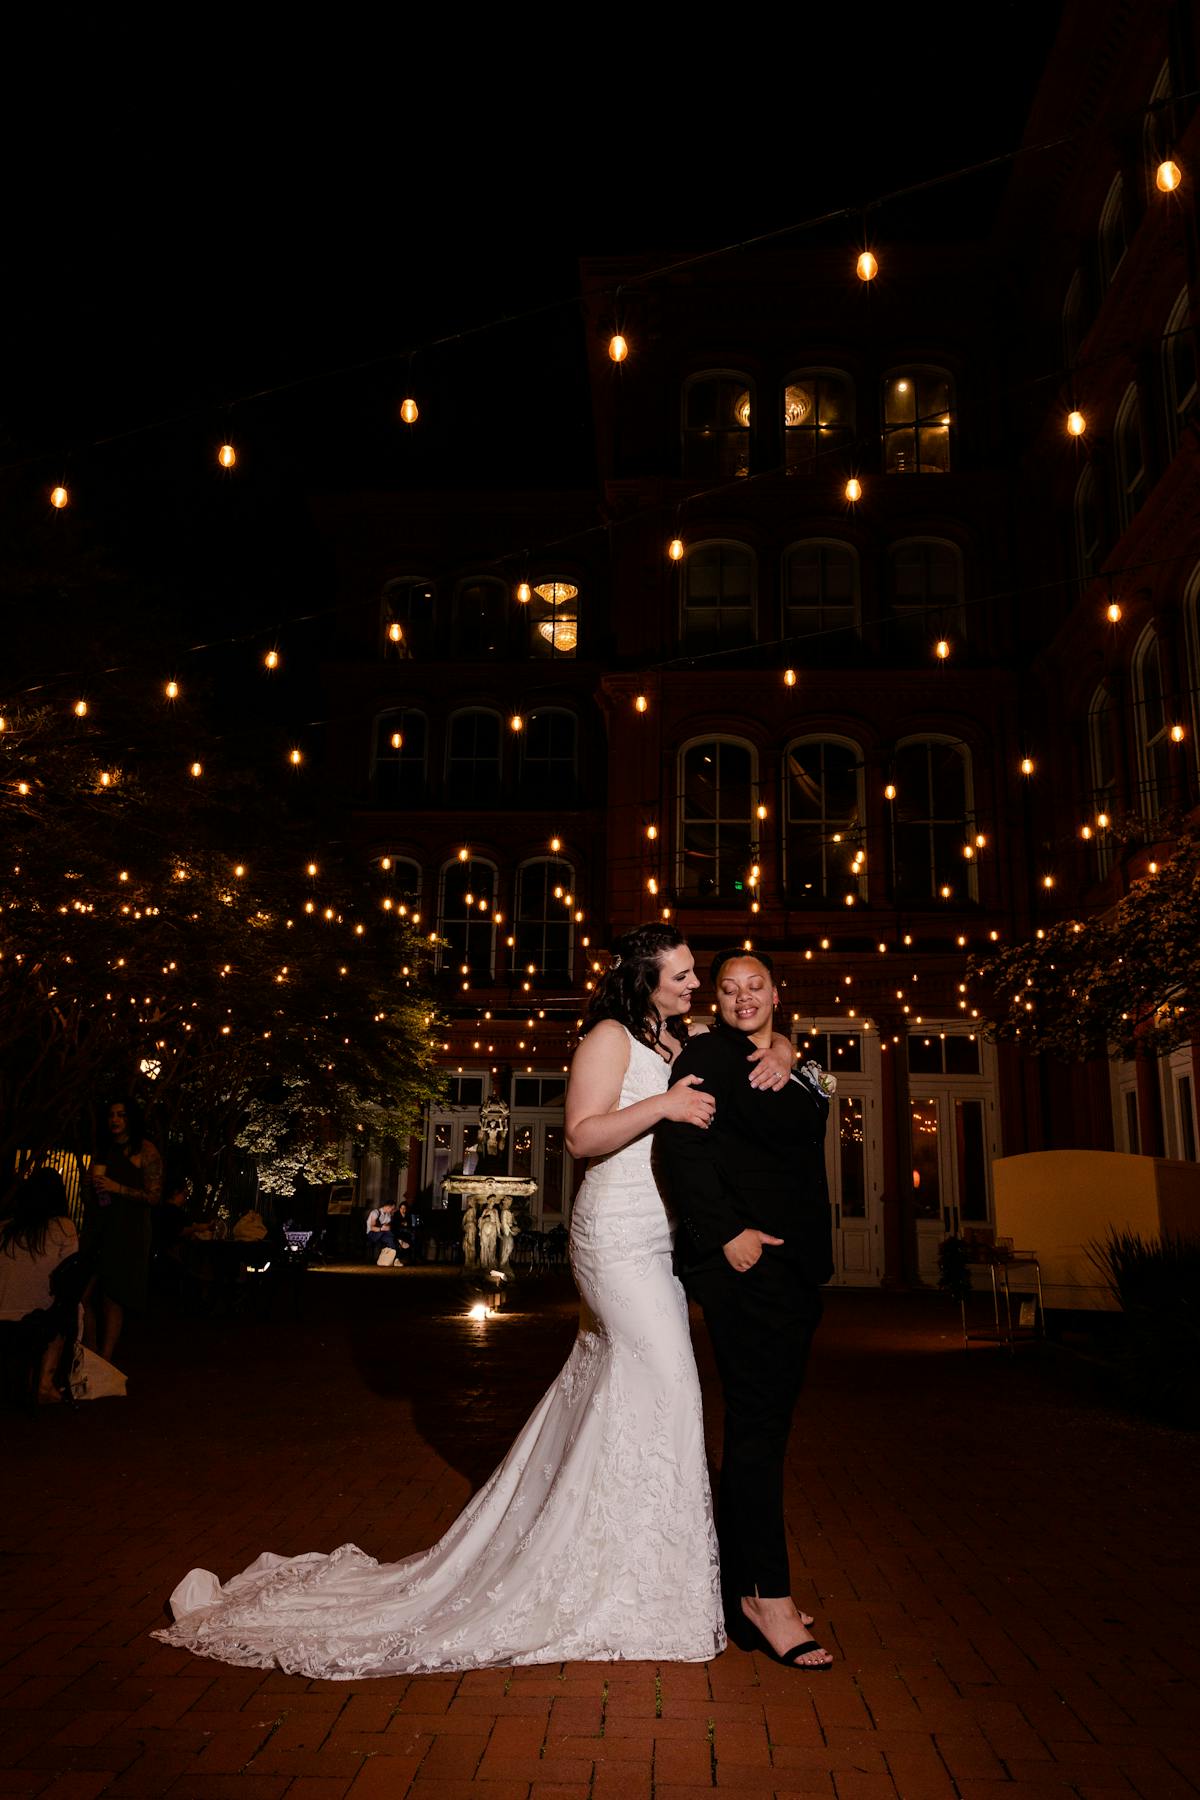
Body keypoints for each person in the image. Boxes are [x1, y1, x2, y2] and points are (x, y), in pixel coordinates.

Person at [152, 922, 793, 1676]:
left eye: (694, 976)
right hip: (615, 1240)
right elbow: (581, 1138)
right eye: (681, 975)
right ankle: (628, 1578)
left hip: (660, 1242)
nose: (695, 985)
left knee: (631, 1403)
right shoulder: (609, 1038)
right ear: (644, 979)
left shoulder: (673, 1043)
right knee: (672, 1389)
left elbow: (757, 1052)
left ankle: (622, 1566)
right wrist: (661, 1110)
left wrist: (781, 1049)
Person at [657, 948, 835, 1671]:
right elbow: (681, 1149)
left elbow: (823, 1104)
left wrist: (789, 1052)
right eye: (727, 988)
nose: (741, 996)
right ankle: (767, 1597)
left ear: (775, 992)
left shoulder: (797, 1063)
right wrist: (723, 1233)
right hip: (745, 1268)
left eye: (754, 985)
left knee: (769, 1426)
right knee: (759, 1428)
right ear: (717, 1002)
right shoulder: (705, 1053)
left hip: (797, 1271)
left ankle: (742, 1587)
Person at [83, 1098, 162, 1363]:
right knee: (82, 1291)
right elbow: (92, 1194)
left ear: (131, 1119)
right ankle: (91, 1347)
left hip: (128, 1228)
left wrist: (118, 1188)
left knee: (113, 1294)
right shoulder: (104, 1150)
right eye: (111, 1115)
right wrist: (90, 1186)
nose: (115, 1120)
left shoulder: (145, 1150)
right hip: (101, 1225)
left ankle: (105, 1357)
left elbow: (154, 1196)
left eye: (121, 1115)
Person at [0, 1167, 80, 1404]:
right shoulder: (65, 1229)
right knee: (67, 1308)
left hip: (3, 1312)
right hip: (38, 1318)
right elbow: (70, 1275)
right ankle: (45, 1382)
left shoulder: (5, 1229)